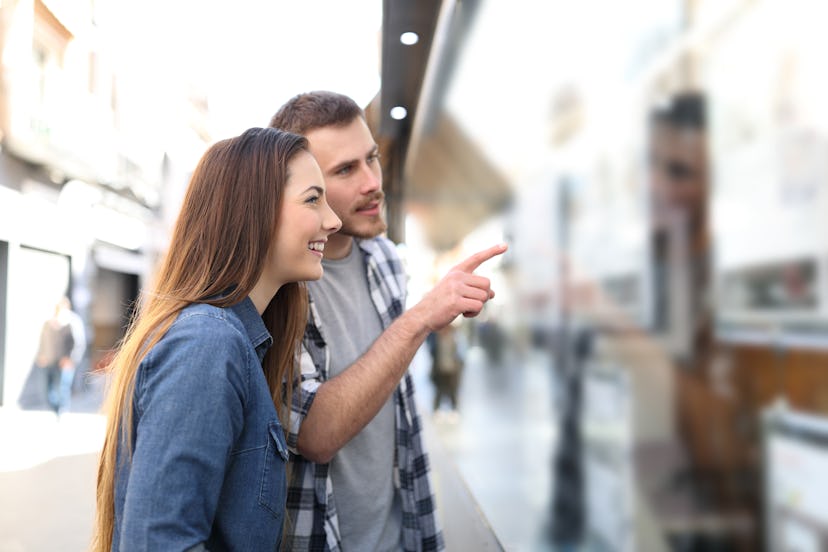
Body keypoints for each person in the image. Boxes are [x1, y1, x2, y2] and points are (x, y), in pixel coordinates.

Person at [270, 91, 506, 551]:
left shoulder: (383, 258)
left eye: (371, 159)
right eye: (344, 170)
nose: (371, 182)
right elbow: (316, 435)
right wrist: (420, 318)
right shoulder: (280, 286)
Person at [91, 127, 341, 551]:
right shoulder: (208, 343)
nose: (333, 220)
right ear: (254, 209)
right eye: (313, 198)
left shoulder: (233, 340)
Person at [34, 296, 85, 414]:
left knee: (62, 389)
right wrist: (41, 355)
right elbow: (43, 340)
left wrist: (71, 359)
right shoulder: (48, 322)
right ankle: (55, 408)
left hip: (64, 363)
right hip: (48, 361)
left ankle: (61, 411)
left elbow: (79, 343)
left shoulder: (72, 321)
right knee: (47, 389)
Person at [427, 322, 465, 414]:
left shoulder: (455, 336)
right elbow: (432, 351)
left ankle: (454, 409)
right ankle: (437, 410)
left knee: (453, 390)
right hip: (439, 368)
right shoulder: (435, 338)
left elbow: (461, 352)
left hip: (452, 369)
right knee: (439, 390)